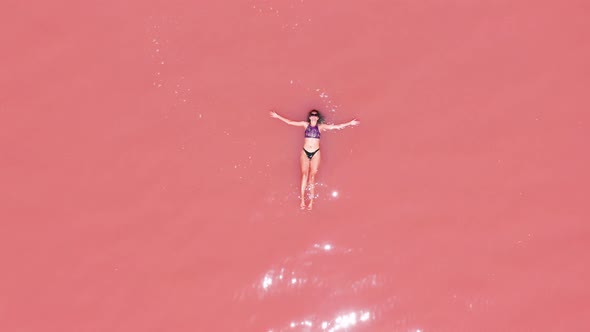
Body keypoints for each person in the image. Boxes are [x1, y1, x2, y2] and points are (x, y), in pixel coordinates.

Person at [270, 109, 360, 210]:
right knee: (304, 175)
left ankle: (311, 202)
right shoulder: (305, 125)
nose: (313, 116)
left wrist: (350, 123)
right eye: (312, 115)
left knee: (312, 177)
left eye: (315, 115)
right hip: (305, 152)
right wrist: (278, 116)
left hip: (316, 153)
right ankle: (302, 200)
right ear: (309, 117)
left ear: (317, 118)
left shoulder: (321, 127)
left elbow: (336, 126)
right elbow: (290, 122)